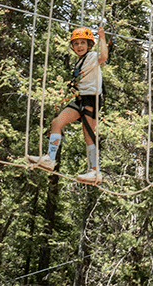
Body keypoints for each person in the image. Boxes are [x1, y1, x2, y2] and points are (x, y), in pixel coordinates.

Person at [28, 25, 108, 183]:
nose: (79, 46)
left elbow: (104, 56)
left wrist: (102, 37)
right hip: (80, 99)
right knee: (56, 122)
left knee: (88, 134)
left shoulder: (92, 56)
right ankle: (50, 159)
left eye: (82, 43)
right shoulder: (80, 62)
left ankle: (95, 171)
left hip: (91, 99)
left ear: (89, 45)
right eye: (76, 44)